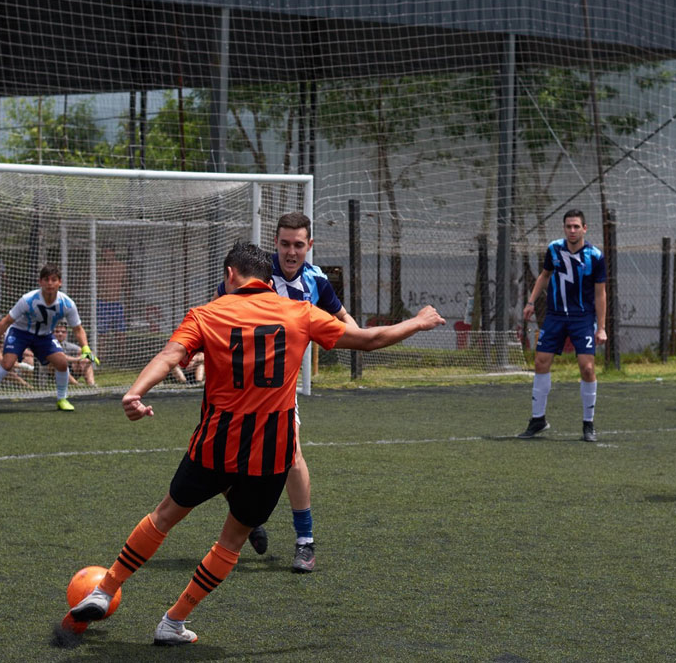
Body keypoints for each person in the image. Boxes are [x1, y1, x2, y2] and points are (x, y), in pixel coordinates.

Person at [58, 241, 444, 645]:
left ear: (230, 275)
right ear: (268, 279)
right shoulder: (299, 313)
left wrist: (136, 392)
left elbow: (170, 355)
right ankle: (173, 622)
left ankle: (104, 590)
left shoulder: (207, 313)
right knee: (232, 539)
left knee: (165, 515)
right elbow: (368, 339)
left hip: (214, 445)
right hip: (270, 456)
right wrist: (417, 322)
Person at [216, 212, 358, 573]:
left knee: (292, 455)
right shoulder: (255, 272)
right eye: (284, 244)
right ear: (275, 243)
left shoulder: (316, 280)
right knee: (217, 461)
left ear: (309, 245)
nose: (291, 252)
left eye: (298, 245)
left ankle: (305, 542)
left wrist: (362, 339)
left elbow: (343, 318)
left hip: (279, 388)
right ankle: (247, 518)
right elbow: (215, 312)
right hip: (235, 386)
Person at [518, 209, 607, 442]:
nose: (572, 230)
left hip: (583, 318)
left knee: (587, 368)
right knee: (540, 362)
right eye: (569, 226)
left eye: (576, 226)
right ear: (564, 228)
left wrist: (601, 327)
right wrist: (531, 302)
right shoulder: (554, 249)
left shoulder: (595, 256)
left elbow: (600, 293)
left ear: (585, 228)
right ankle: (538, 419)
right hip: (555, 316)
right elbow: (544, 276)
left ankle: (588, 424)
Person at [0, 264, 98, 412]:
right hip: (20, 332)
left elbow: (78, 329)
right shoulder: (28, 299)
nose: (50, 283)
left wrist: (85, 348)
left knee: (62, 363)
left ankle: (62, 399)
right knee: (7, 363)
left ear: (60, 282)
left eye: (54, 280)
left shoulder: (67, 304)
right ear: (40, 282)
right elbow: (6, 321)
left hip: (44, 336)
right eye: (46, 280)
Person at [97, 247, 128, 363]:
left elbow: (126, 285)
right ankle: (102, 358)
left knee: (120, 333)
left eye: (108, 252)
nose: (106, 255)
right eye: (104, 252)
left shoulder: (121, 267)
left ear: (113, 252)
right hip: (102, 303)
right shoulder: (99, 267)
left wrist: (128, 304)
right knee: (102, 333)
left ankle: (122, 358)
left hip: (116, 303)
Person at [54, 322, 96, 387]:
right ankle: (76, 384)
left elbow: (86, 352)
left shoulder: (67, 345)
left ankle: (91, 384)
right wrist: (78, 359)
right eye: (57, 332)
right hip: (53, 373)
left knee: (85, 361)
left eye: (63, 332)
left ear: (66, 334)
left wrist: (87, 357)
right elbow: (60, 357)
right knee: (57, 363)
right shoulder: (49, 344)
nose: (60, 334)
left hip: (69, 371)